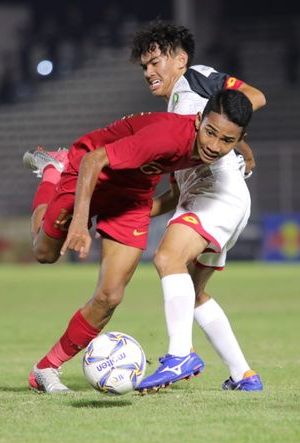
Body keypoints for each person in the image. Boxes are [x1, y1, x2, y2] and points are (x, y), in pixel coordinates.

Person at [24, 89, 253, 393]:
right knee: (44, 253)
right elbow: (94, 160)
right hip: (90, 171)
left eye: (226, 140)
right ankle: (52, 170)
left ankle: (45, 368)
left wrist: (248, 156)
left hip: (132, 195)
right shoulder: (168, 137)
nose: (214, 145)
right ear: (199, 120)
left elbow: (172, 196)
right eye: (210, 133)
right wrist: (81, 220)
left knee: (110, 296)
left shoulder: (213, 144)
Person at [128, 22, 266, 392]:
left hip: (218, 192)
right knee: (191, 291)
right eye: (144, 67)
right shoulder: (173, 121)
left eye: (155, 62)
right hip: (211, 200)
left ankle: (179, 355)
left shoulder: (199, 79)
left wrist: (223, 133)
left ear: (180, 60)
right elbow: (173, 195)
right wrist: (134, 210)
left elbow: (253, 97)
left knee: (166, 259)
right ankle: (244, 376)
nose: (149, 73)